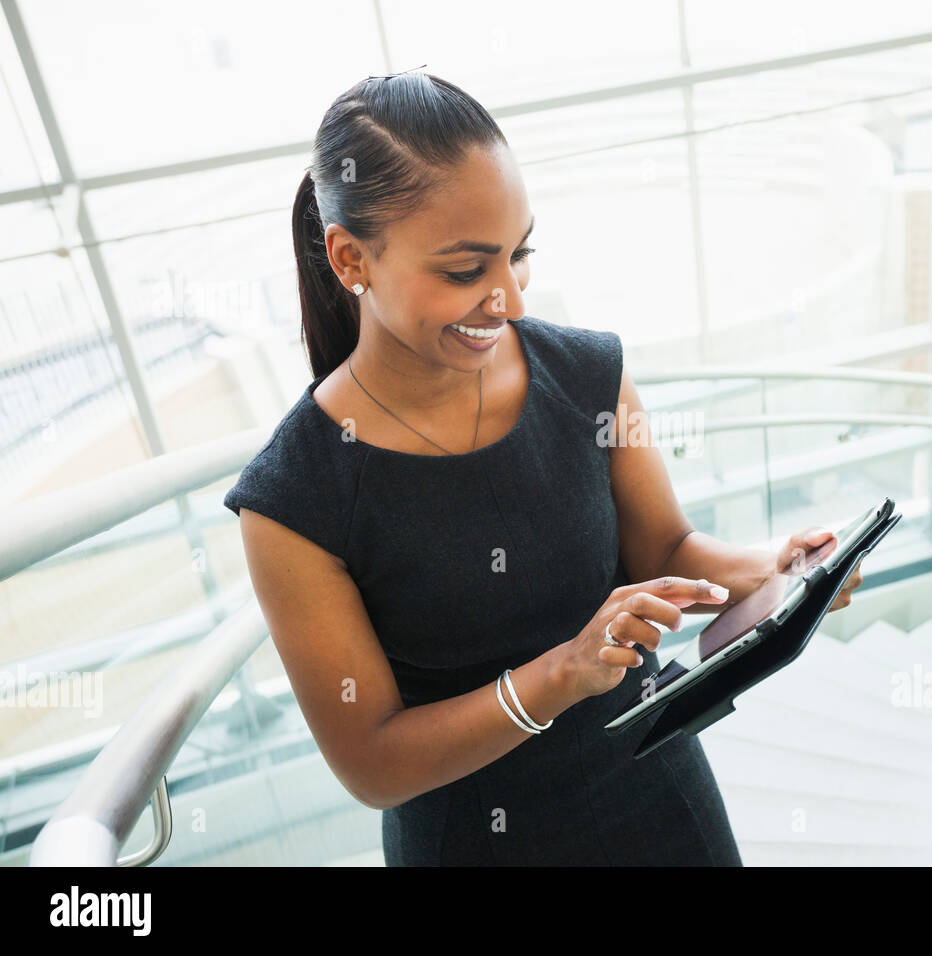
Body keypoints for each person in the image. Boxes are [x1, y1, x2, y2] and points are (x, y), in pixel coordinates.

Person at [223, 70, 864, 866]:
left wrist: (776, 570)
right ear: (351, 259)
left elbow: (664, 555)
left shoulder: (589, 373)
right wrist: (562, 673)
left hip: (658, 792)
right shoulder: (293, 504)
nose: (510, 301)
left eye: (518, 254)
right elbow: (374, 762)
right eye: (466, 271)